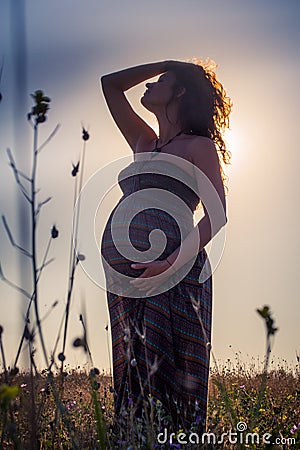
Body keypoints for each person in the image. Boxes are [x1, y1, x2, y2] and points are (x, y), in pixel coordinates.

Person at [100, 60, 231, 433]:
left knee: (168, 363)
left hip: (176, 269)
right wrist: (167, 64)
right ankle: (134, 439)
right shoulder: (144, 141)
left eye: (160, 82)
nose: (148, 86)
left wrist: (170, 263)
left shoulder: (197, 146)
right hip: (129, 274)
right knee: (134, 360)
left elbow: (217, 215)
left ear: (180, 92)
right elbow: (110, 84)